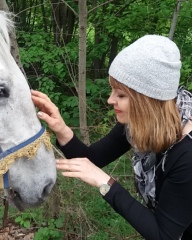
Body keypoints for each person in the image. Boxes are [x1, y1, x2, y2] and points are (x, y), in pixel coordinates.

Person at [31, 35, 192, 240]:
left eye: (121, 95)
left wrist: (105, 182)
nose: (110, 100)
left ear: (148, 100)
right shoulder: (140, 123)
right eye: (112, 91)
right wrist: (61, 129)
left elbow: (164, 235)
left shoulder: (187, 154)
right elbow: (92, 159)